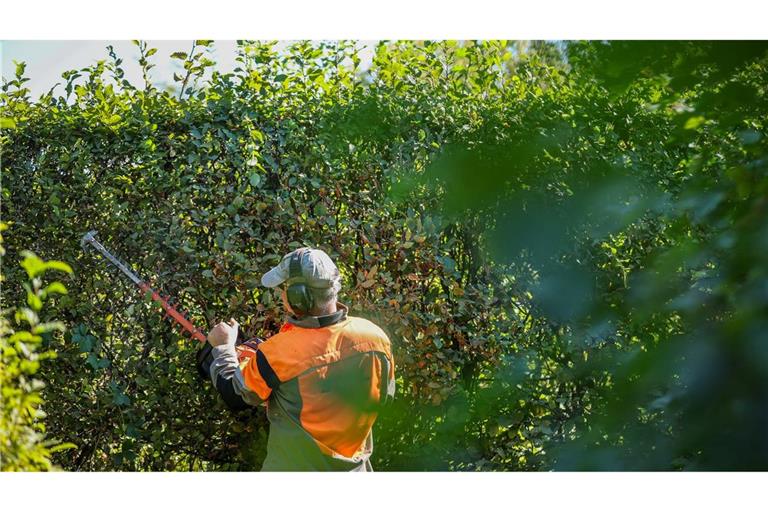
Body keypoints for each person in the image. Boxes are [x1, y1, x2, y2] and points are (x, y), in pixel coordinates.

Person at [205, 247, 395, 471]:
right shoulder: (375, 338)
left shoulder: (279, 352)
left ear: (298, 295)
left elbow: (233, 393)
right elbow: (385, 398)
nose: (282, 295)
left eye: (284, 288)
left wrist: (224, 347)